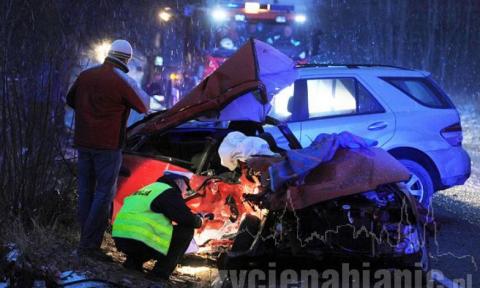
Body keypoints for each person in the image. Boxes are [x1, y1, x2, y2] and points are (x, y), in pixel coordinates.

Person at [66, 39, 150, 258]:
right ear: (127, 59)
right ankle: (88, 246)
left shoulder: (86, 75)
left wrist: (89, 114)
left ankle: (85, 242)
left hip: (83, 142)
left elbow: (70, 99)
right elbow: (143, 105)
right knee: (103, 194)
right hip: (108, 146)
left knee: (85, 192)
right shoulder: (121, 80)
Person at [112, 171, 203, 281]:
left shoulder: (151, 188)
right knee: (186, 231)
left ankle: (133, 262)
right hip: (140, 241)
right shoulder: (169, 192)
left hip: (121, 238)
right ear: (179, 181)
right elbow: (186, 219)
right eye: (187, 188)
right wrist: (200, 220)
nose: (185, 191)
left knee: (154, 229)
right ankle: (160, 274)